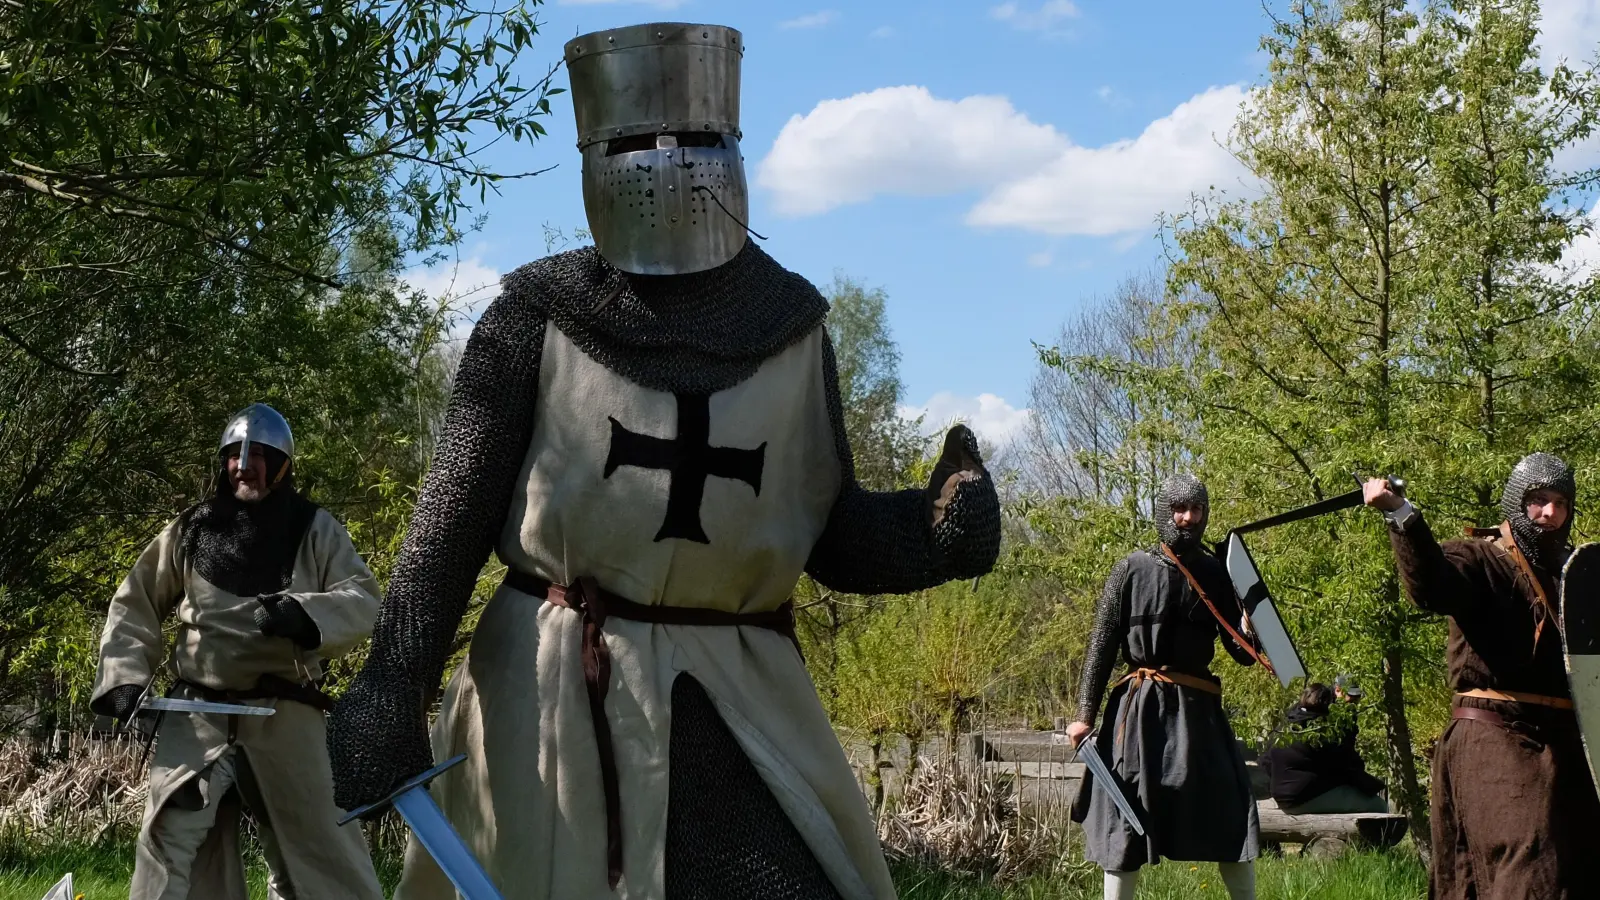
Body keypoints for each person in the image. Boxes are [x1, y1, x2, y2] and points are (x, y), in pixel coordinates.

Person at [325, 21, 1002, 900]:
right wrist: (391, 681)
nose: (673, 164)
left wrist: (930, 529)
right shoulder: (532, 319)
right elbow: (447, 529)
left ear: (738, 148)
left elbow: (823, 528)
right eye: (641, 142)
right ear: (596, 155)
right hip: (555, 695)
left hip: (742, 697)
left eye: (702, 140)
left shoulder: (791, 330)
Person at [90, 404, 383, 900]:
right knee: (165, 842)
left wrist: (304, 614)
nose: (244, 465)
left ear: (283, 464)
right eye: (233, 455)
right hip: (198, 715)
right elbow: (135, 601)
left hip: (284, 715)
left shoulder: (315, 529)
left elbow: (363, 597)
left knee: (316, 859)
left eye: (259, 455)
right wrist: (124, 677)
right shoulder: (192, 528)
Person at [1364, 452, 1600, 899]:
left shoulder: (1575, 577)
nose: (1549, 513)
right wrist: (1401, 515)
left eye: (1560, 503)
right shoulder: (1479, 558)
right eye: (1537, 500)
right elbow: (1431, 584)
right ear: (1516, 503)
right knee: (1528, 859)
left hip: (1564, 745)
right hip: (1495, 737)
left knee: (1578, 866)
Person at [1067, 474, 1263, 900]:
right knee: (1124, 816)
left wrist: (1253, 613)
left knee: (1230, 809)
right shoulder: (1130, 569)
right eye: (1180, 508)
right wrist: (1084, 715)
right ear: (1163, 511)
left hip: (1198, 713)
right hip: (1139, 713)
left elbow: (1243, 653)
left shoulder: (1215, 572)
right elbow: (1101, 645)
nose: (1188, 518)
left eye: (1197, 510)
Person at [1261, 682, 1387, 815]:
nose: (1354, 704)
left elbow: (1266, 761)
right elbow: (1346, 765)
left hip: (1283, 794)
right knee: (1378, 805)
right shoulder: (1323, 733)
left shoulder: (1287, 724)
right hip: (1302, 797)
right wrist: (1373, 786)